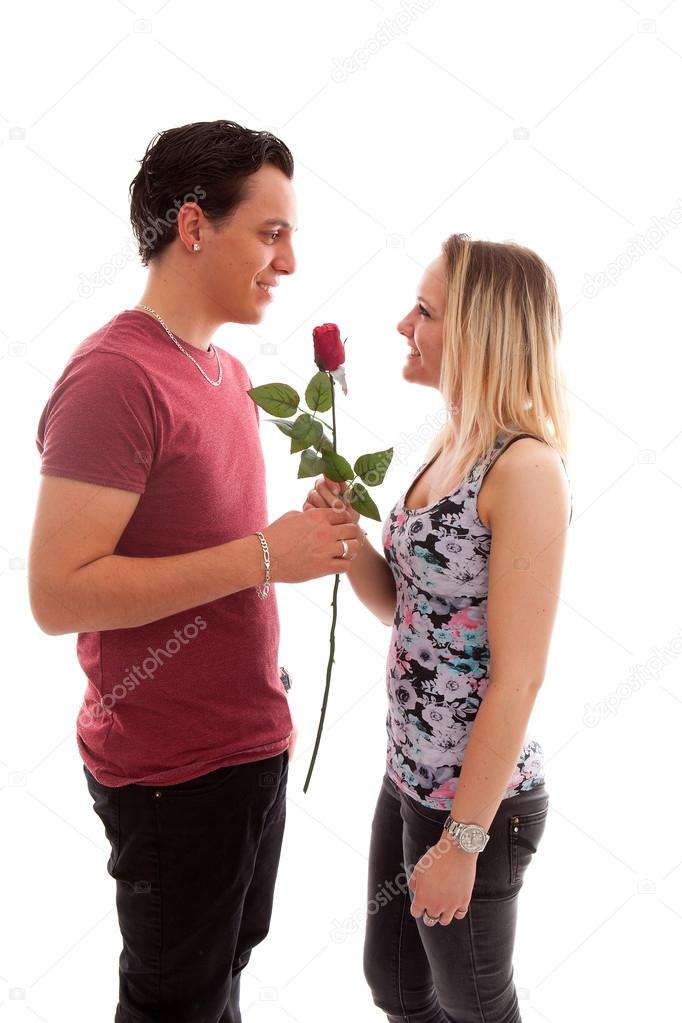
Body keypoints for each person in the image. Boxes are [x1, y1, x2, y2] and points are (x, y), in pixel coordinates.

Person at [27, 119, 363, 1023]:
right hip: (174, 774)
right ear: (192, 226)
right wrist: (262, 554)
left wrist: (289, 540)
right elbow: (57, 593)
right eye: (270, 230)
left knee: (217, 985)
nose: (288, 260)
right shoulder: (113, 378)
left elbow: (195, 548)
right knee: (175, 1003)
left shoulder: (225, 372)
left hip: (250, 744)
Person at [303, 233, 572, 1022]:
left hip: (479, 804)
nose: (401, 326)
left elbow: (518, 676)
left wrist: (463, 842)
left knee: (475, 1008)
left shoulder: (525, 471)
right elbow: (411, 611)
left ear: (480, 332)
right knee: (393, 984)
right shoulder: (450, 443)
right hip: (410, 776)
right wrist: (351, 540)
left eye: (424, 311)